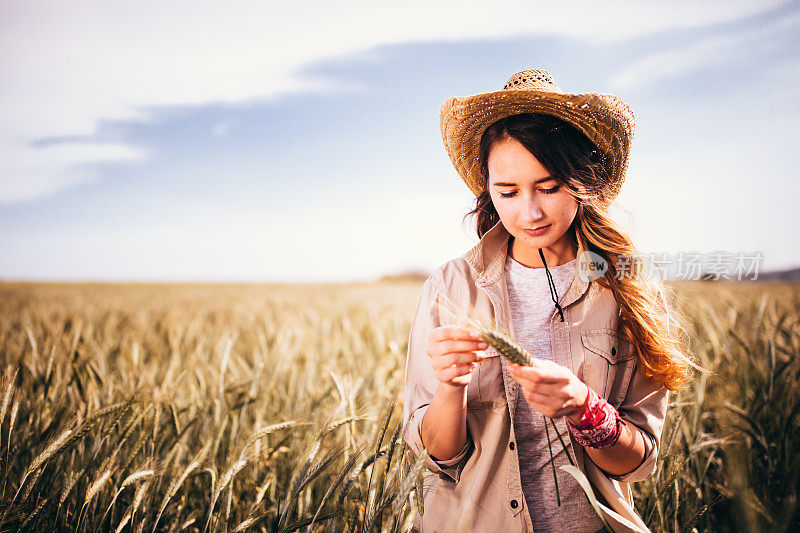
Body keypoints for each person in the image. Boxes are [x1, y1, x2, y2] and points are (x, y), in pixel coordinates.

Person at [401, 69, 696, 533]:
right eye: (508, 192)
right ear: (488, 191)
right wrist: (450, 386)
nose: (530, 212)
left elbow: (637, 462)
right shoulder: (451, 287)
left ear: (581, 181)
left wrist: (586, 409)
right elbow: (438, 456)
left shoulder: (627, 288)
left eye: (550, 187)